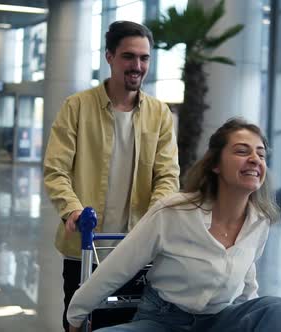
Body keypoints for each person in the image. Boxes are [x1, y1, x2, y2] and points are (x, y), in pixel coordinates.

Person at [67, 118, 281, 332]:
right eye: (241, 151)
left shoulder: (259, 221)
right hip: (162, 321)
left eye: (261, 154)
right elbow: (117, 267)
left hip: (219, 320)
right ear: (215, 164)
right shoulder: (174, 212)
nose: (255, 159)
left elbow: (248, 280)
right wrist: (75, 316)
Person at [43, 21, 180, 331]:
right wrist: (73, 209)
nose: (138, 66)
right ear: (109, 57)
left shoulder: (159, 114)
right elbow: (56, 169)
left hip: (137, 249)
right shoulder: (76, 107)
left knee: (128, 325)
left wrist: (155, 217)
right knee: (78, 322)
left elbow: (167, 176)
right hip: (85, 247)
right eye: (129, 57)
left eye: (144, 58)